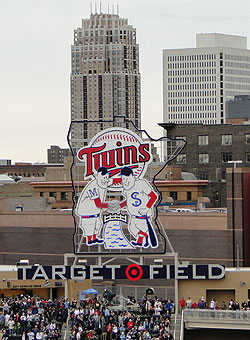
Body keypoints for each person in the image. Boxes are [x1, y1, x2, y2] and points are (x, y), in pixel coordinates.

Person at [75, 167, 120, 246]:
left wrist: (128, 179)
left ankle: (94, 238)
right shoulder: (92, 186)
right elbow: (98, 204)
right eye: (104, 177)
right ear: (98, 176)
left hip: (95, 212)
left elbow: (114, 181)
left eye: (107, 177)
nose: (106, 179)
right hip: (87, 212)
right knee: (89, 227)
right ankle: (90, 240)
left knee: (98, 225)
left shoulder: (104, 181)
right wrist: (110, 205)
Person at [119, 167, 158, 248]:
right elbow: (128, 201)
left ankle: (144, 239)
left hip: (143, 216)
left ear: (131, 176)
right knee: (132, 228)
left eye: (126, 178)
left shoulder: (141, 183)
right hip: (133, 215)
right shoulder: (126, 188)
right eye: (123, 179)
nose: (124, 181)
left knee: (139, 228)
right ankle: (143, 239)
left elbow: (153, 196)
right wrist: (119, 206)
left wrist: (146, 208)